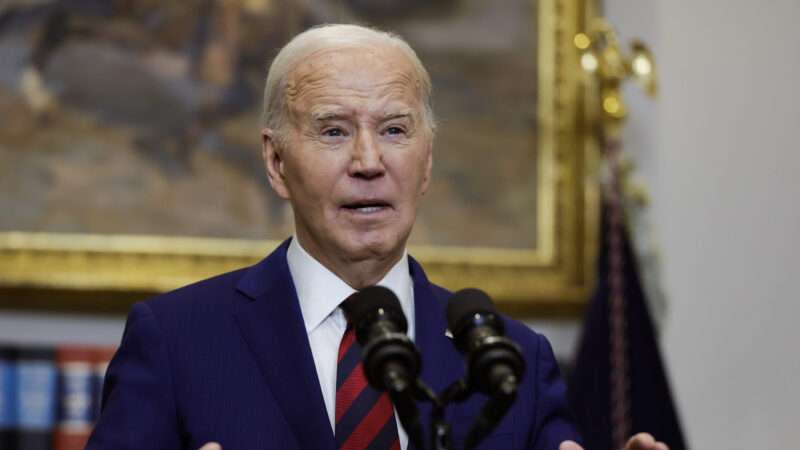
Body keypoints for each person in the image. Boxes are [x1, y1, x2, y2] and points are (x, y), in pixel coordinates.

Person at [86, 24, 668, 450]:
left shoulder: (511, 363)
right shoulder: (178, 341)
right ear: (276, 161)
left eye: (394, 129)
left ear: (427, 161)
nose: (369, 161)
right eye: (334, 131)